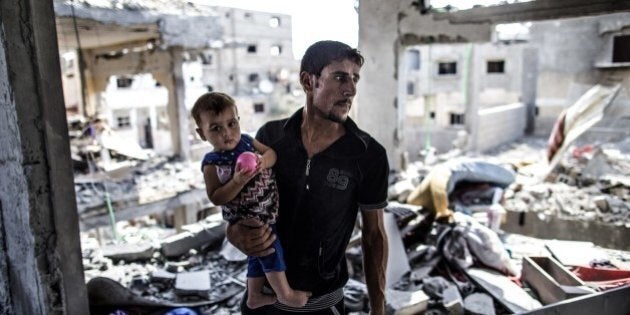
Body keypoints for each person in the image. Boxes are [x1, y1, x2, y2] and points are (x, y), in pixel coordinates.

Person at [226, 40, 390, 314]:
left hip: (322, 306)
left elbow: (374, 237)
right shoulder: (270, 138)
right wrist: (234, 233)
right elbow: (241, 202)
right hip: (262, 302)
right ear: (307, 81)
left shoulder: (368, 154)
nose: (350, 90)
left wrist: (378, 310)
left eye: (354, 79)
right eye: (339, 77)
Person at [191, 92, 311, 309]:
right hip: (248, 217)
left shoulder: (247, 141)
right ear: (201, 134)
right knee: (268, 249)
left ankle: (254, 295)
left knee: (256, 256)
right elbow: (216, 197)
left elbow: (272, 154)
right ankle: (285, 294)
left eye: (231, 123)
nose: (227, 133)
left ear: (238, 119)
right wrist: (237, 182)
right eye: (215, 128)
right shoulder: (212, 163)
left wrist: (262, 162)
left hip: (267, 208)